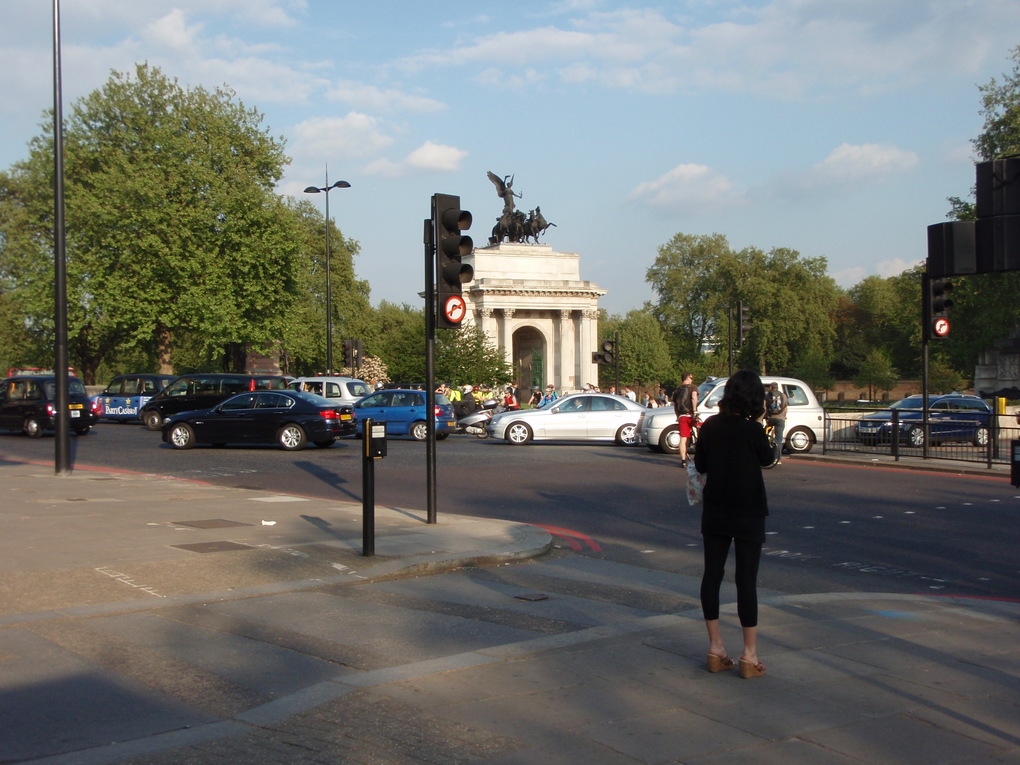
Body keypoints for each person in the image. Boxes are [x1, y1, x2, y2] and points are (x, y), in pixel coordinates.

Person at [693, 370, 774, 679]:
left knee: (712, 575)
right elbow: (768, 459)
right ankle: (749, 655)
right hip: (748, 510)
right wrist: (763, 424)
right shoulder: (753, 429)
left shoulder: (711, 426)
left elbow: (700, 464)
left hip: (716, 508)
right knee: (746, 580)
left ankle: (716, 647)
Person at [672, 373, 699, 466]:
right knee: (701, 430)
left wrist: (678, 416)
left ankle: (683, 460)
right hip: (691, 415)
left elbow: (675, 405)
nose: (692, 379)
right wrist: (695, 411)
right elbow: (694, 398)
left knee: (683, 438)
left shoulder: (677, 390)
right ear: (687, 378)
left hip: (682, 416)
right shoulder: (693, 387)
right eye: (691, 378)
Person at [765, 382, 788, 465]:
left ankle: (766, 442)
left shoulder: (768, 395)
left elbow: (765, 407)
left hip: (771, 419)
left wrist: (766, 418)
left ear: (771, 387)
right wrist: (784, 416)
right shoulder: (783, 396)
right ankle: (777, 459)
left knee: (765, 433)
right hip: (780, 419)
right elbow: (786, 408)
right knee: (779, 439)